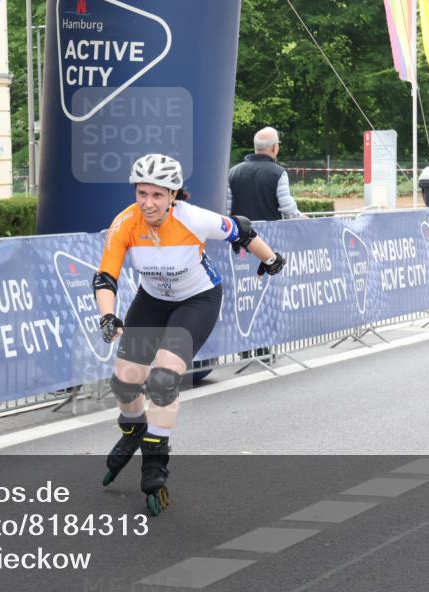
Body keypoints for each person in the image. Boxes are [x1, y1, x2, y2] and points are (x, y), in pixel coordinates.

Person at [93, 153, 285, 515]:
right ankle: (133, 429)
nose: (148, 203)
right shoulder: (125, 223)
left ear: (173, 195)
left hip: (196, 301)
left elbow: (241, 229)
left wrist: (271, 259)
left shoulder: (193, 219)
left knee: (163, 379)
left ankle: (155, 463)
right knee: (125, 381)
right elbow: (106, 277)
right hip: (152, 300)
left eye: (158, 195)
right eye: (142, 193)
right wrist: (108, 316)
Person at [228, 127, 305, 220]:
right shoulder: (279, 173)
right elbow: (289, 211)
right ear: (274, 148)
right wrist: (311, 222)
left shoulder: (232, 172)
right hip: (270, 233)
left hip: (240, 233)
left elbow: (226, 209)